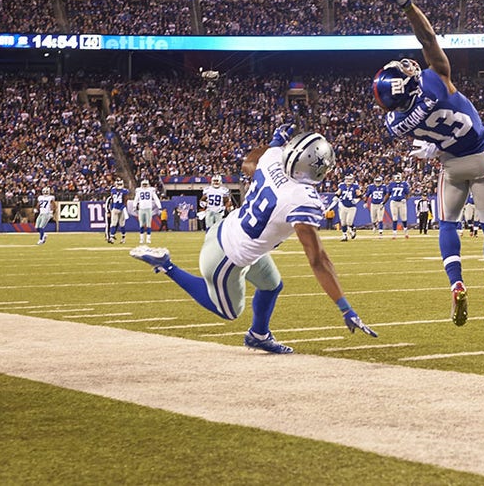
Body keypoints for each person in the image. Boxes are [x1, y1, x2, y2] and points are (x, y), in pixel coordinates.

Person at [130, 126, 377, 352]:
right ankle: (167, 265)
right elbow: (318, 260)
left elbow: (249, 163)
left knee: (271, 285)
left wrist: (273, 144)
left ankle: (258, 335)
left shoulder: (272, 159)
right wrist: (344, 306)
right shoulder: (302, 199)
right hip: (227, 256)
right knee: (228, 312)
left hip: (228, 229)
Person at [372, 0, 484, 325]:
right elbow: (429, 38)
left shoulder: (395, 122)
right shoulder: (435, 82)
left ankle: (456, 283)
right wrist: (406, 5)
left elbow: (423, 128)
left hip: (449, 166)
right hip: (479, 158)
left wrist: (433, 147)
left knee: (447, 224)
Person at [132, 179, 162, 244]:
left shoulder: (151, 190)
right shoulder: (139, 191)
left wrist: (159, 207)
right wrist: (134, 206)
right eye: (144, 185)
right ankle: (142, 239)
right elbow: (136, 199)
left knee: (148, 224)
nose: (145, 186)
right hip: (142, 208)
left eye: (146, 184)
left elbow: (156, 199)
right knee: (141, 224)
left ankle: (148, 239)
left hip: (148, 208)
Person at [336, 174, 360, 241]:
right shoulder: (342, 185)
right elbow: (338, 192)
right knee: (343, 222)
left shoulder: (355, 186)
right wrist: (336, 196)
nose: (349, 181)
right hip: (343, 205)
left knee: (349, 222)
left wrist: (357, 200)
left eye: (350, 179)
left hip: (352, 206)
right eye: (347, 179)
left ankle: (353, 228)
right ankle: (344, 236)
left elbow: (359, 194)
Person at [387, 172, 410, 238]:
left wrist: (406, 199)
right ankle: (394, 233)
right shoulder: (391, 184)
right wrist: (383, 202)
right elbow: (388, 194)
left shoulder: (404, 184)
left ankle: (406, 232)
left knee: (404, 218)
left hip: (402, 202)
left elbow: (408, 193)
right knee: (394, 218)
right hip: (394, 202)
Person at [106, 179, 128, 244]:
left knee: (121, 224)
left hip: (119, 208)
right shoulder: (119, 190)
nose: (119, 186)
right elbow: (113, 200)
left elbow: (125, 201)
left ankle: (123, 238)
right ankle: (112, 237)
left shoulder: (116, 190)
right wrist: (112, 208)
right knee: (114, 223)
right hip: (116, 208)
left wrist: (120, 208)